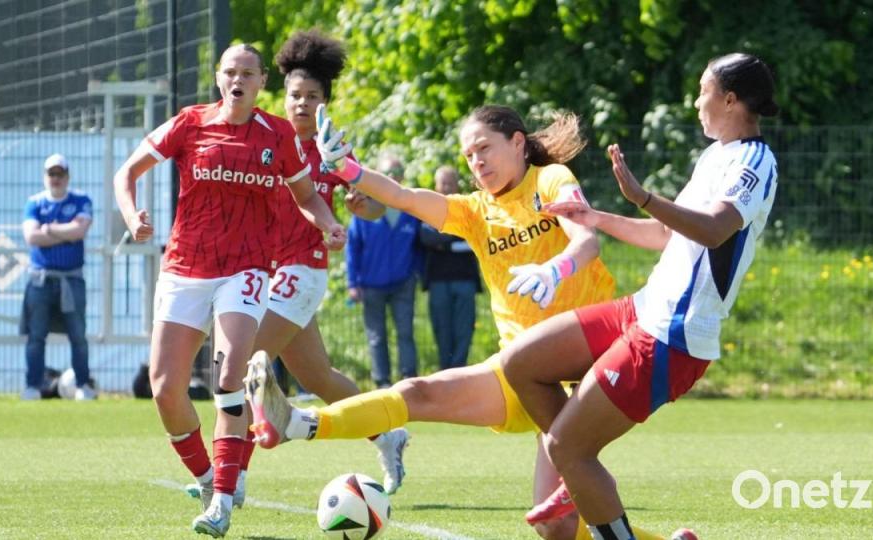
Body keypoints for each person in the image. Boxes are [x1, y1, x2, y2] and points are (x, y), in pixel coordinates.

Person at [247, 103, 621, 540]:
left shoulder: (551, 179)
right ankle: (299, 423)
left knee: (554, 522)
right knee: (417, 392)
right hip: (526, 372)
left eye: (484, 148)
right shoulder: (475, 211)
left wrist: (556, 269)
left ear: (518, 143)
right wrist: (348, 170)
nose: (477, 161)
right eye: (469, 155)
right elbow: (404, 197)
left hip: (586, 366)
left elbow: (587, 240)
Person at [501, 52, 779, 540]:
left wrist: (644, 196)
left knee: (567, 447)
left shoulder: (755, 161)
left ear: (730, 100)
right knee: (520, 363)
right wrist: (597, 218)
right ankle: (577, 468)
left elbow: (714, 230)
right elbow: (666, 235)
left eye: (703, 91)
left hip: (673, 336)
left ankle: (576, 462)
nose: (696, 102)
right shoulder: (715, 156)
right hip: (643, 309)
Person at [113, 43, 344, 537]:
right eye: (230, 71)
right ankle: (206, 477)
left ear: (262, 82)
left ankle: (221, 501)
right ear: (219, 78)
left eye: (248, 73)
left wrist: (328, 224)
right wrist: (133, 218)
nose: (238, 79)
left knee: (229, 377)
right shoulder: (190, 123)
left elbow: (306, 195)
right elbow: (126, 173)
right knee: (165, 389)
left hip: (246, 271)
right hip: (184, 268)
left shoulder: (277, 134)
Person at [247, 28, 410, 495]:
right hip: (265, 272)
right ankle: (388, 433)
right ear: (283, 97)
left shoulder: (331, 148)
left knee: (244, 359)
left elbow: (376, 207)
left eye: (312, 96)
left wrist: (362, 205)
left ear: (325, 102)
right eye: (295, 95)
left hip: (303, 270)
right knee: (319, 377)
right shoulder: (263, 140)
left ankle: (227, 476)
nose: (301, 103)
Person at [20, 153, 95, 401]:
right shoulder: (34, 203)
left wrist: (49, 229)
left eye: (60, 174)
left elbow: (79, 231)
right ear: (45, 177)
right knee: (36, 336)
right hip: (40, 280)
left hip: (72, 280)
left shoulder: (81, 199)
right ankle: (32, 386)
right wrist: (65, 232)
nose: (56, 178)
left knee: (78, 335)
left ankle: (83, 385)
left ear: (67, 176)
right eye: (51, 174)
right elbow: (32, 237)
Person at [345, 155, 422, 387]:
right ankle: (382, 381)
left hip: (403, 282)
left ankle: (409, 378)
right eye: (388, 173)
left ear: (403, 176)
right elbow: (353, 247)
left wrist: (417, 273)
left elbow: (420, 245)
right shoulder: (364, 208)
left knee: (405, 332)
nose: (392, 177)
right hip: (371, 284)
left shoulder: (411, 207)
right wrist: (352, 283)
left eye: (397, 173)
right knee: (376, 336)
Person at [419, 165, 481, 370]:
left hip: (465, 279)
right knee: (441, 327)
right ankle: (445, 370)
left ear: (457, 185)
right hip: (438, 280)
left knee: (464, 328)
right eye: (442, 183)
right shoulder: (428, 208)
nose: (446, 187)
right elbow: (426, 237)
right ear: (436, 186)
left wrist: (443, 240)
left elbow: (474, 235)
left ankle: (459, 368)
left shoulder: (467, 207)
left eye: (450, 183)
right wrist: (456, 236)